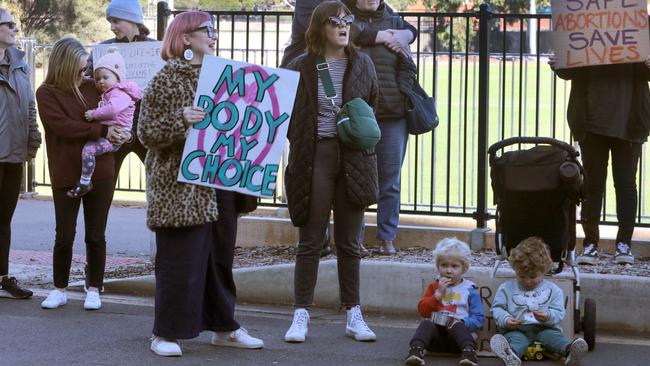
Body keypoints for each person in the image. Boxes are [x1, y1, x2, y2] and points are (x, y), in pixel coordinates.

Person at [138, 11, 264, 357]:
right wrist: (182, 119)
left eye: (214, 31)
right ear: (185, 37)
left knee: (219, 259)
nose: (213, 36)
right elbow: (146, 132)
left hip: (221, 183)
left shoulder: (227, 77)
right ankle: (164, 333)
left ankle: (224, 326)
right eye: (207, 30)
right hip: (181, 188)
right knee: (181, 262)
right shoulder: (166, 79)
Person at [283, 0, 379, 344]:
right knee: (309, 240)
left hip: (354, 157)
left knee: (350, 242)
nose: (343, 27)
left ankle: (353, 312)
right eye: (336, 21)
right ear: (320, 27)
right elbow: (289, 117)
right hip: (315, 156)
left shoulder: (362, 63)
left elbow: (372, 108)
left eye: (348, 21)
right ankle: (300, 313)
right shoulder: (302, 66)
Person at [36, 37, 131, 311]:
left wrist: (123, 132)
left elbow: (120, 110)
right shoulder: (47, 93)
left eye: (86, 67)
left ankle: (93, 288)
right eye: (79, 69)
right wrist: (101, 131)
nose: (85, 73)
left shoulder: (96, 87)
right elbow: (62, 126)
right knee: (64, 234)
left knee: (96, 234)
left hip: (100, 170)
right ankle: (59, 289)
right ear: (64, 66)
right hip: (66, 170)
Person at [549, 54, 650, 265]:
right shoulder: (586, 25)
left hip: (629, 123)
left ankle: (624, 244)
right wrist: (559, 64)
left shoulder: (639, 27)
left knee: (626, 185)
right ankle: (591, 244)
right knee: (593, 185)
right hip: (591, 122)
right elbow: (568, 72)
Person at [346, 0, 417, 255]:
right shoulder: (343, 18)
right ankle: (355, 239)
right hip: (356, 114)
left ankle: (387, 237)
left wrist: (402, 89)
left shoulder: (395, 23)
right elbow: (349, 34)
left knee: (390, 180)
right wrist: (380, 37)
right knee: (355, 178)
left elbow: (408, 63)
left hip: (392, 113)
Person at [489, 237, 588, 366]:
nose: (527, 281)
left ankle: (570, 350)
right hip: (517, 329)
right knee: (516, 340)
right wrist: (506, 319)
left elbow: (558, 312)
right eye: (522, 276)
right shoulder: (507, 288)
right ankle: (511, 355)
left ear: (544, 270)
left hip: (544, 328)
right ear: (515, 270)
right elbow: (497, 308)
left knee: (554, 338)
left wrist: (547, 315)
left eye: (533, 276)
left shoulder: (553, 290)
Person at [86, 0, 156, 182]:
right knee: (103, 184)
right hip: (113, 129)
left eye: (116, 21)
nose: (112, 27)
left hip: (148, 129)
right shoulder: (102, 51)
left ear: (133, 19)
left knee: (158, 186)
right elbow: (87, 84)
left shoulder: (157, 50)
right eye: (110, 21)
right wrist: (104, 126)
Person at [0, 8, 42, 299]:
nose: (15, 29)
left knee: (4, 219)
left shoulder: (20, 64)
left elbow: (29, 103)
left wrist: (33, 137)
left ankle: (4, 278)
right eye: (9, 25)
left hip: (14, 153)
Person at [67, 48, 142, 198]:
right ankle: (85, 180)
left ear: (117, 77)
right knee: (89, 149)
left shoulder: (119, 93)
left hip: (117, 135)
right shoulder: (110, 93)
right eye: (97, 79)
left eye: (105, 77)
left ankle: (85, 181)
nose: (101, 81)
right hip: (113, 133)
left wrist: (93, 114)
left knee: (88, 150)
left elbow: (112, 109)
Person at [404, 238, 484, 366]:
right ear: (438, 266)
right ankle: (415, 352)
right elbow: (423, 311)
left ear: (464, 268)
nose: (448, 270)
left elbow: (479, 319)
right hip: (436, 340)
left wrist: (463, 322)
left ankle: (469, 355)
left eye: (454, 266)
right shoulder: (434, 287)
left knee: (457, 326)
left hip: (458, 341)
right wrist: (437, 295)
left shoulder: (470, 290)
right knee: (426, 323)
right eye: (444, 265)